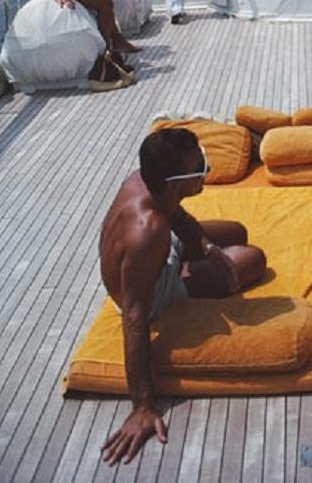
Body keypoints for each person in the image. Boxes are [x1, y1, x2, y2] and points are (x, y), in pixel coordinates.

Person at [99, 127, 266, 465]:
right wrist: (142, 406)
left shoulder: (148, 181)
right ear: (176, 184)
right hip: (154, 289)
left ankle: (196, 255)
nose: (207, 169)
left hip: (159, 252)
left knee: (235, 234)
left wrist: (207, 248)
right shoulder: (147, 231)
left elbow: (174, 213)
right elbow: (134, 317)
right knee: (253, 258)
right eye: (200, 167)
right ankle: (187, 273)